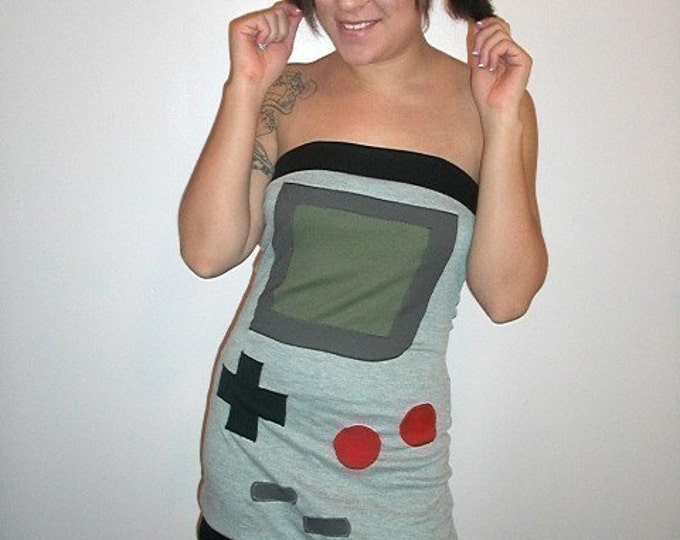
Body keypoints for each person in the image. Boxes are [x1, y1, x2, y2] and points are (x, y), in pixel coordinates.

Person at [179, 0, 547, 537]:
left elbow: (507, 297)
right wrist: (246, 86)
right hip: (253, 440)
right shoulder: (286, 92)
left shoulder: (489, 102)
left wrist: (503, 118)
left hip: (392, 457)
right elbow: (208, 252)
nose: (349, 5)